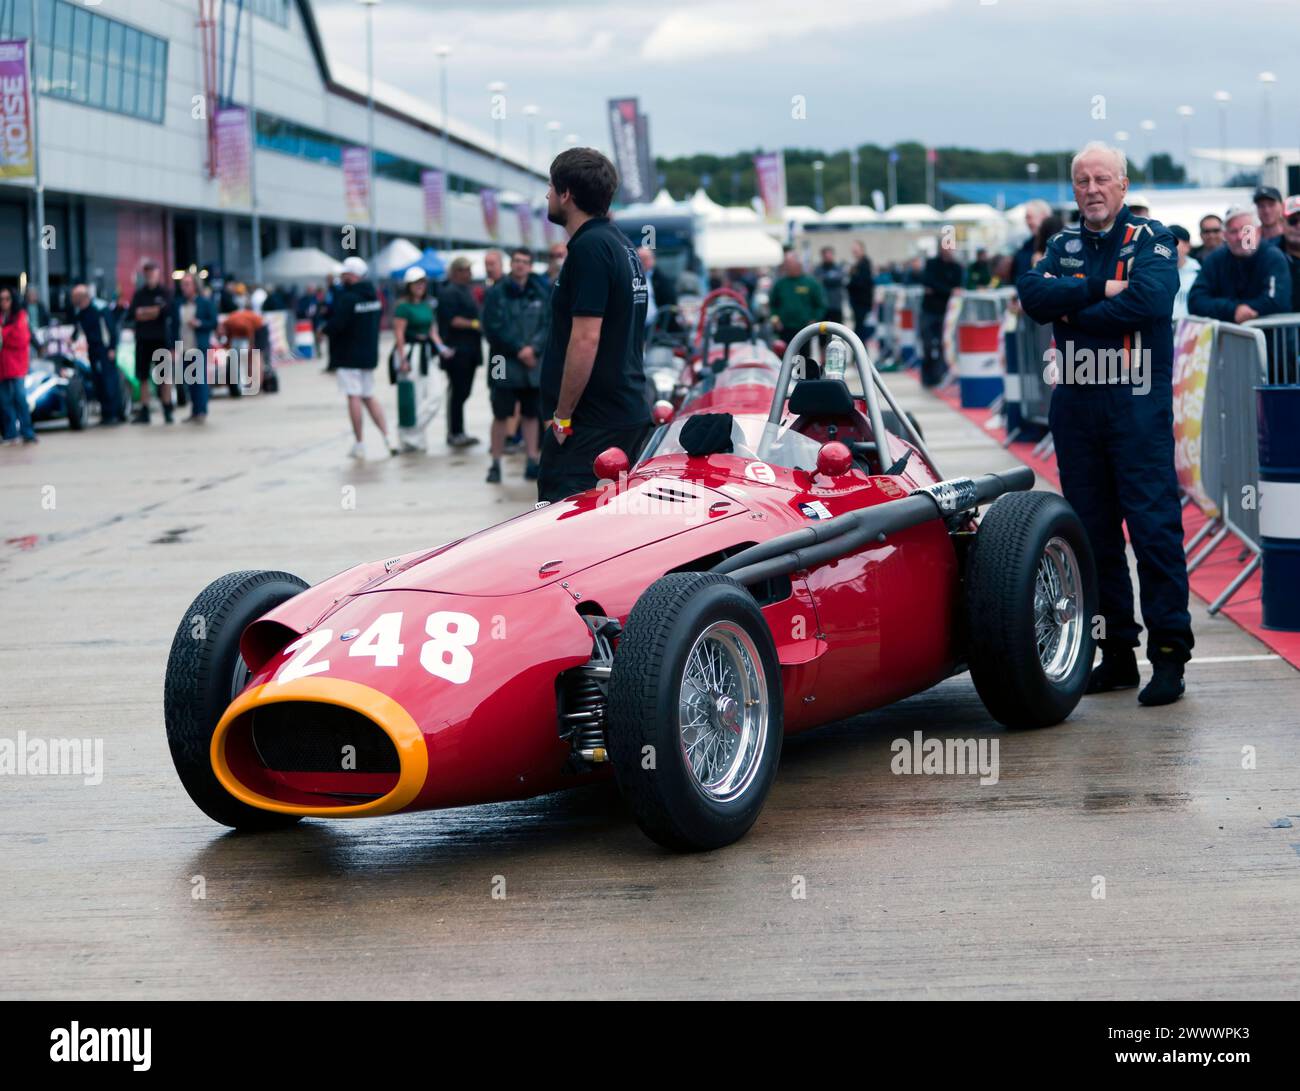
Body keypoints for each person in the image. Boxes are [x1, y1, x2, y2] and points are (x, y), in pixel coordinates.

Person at [1017, 140, 1191, 706]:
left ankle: (1168, 656)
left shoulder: (1153, 239)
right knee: (1094, 540)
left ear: (1123, 185)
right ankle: (1115, 651)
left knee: (1153, 531)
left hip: (1135, 412)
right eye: (1082, 181)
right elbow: (1032, 295)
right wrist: (1097, 290)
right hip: (1077, 411)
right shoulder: (1062, 242)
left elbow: (1150, 302)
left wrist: (1074, 310)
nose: (1092, 190)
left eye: (1102, 180)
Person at [537, 146, 651, 503]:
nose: (547, 195)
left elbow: (585, 339)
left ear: (567, 194)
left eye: (551, 187)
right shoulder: (622, 244)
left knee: (562, 527)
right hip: (622, 410)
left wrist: (563, 417)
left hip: (591, 425)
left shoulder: (590, 248)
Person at [483, 247, 549, 483]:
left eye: (525, 262)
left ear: (530, 266)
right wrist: (520, 349)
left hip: (532, 364)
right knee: (500, 414)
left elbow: (548, 324)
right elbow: (492, 328)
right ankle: (495, 462)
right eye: (517, 261)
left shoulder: (540, 292)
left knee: (532, 414)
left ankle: (532, 460)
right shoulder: (496, 293)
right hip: (503, 361)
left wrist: (534, 349)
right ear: (511, 264)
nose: (520, 265)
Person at [326, 256, 394, 459]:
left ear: (351, 275)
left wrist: (324, 330)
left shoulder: (348, 298)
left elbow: (337, 325)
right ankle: (387, 438)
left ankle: (360, 443)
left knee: (353, 396)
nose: (342, 278)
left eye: (345, 274)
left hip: (349, 355)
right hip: (368, 355)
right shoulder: (373, 296)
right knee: (369, 396)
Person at [1188, 206, 1291, 324]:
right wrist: (1234, 310)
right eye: (1233, 231)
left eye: (1246, 230)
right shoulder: (1216, 259)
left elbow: (1277, 301)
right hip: (1228, 339)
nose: (1240, 237)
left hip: (1271, 339)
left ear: (1258, 231)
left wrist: (1238, 310)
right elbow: (1195, 300)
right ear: (1225, 235)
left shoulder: (1273, 257)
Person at [391, 267, 452, 452]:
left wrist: (443, 349)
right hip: (410, 352)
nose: (420, 286)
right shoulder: (402, 307)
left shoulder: (427, 305)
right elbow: (399, 334)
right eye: (416, 283)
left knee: (435, 397)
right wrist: (403, 359)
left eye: (423, 282)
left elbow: (433, 332)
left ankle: (409, 431)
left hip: (427, 352)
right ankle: (412, 437)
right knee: (414, 397)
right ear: (409, 285)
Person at [437, 257, 484, 449]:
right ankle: (455, 432)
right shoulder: (449, 293)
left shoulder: (467, 290)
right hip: (457, 351)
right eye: (466, 270)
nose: (470, 274)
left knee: (463, 392)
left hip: (470, 350)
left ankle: (459, 431)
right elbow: (453, 320)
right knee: (457, 393)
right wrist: (475, 324)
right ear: (456, 272)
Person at [127, 260, 173, 424]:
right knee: (143, 376)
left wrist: (146, 312)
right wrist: (153, 311)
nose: (149, 276)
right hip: (143, 341)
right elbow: (133, 314)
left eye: (152, 273)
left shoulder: (165, 292)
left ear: (158, 274)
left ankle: (167, 408)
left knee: (164, 377)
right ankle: (145, 410)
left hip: (160, 340)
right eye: (147, 273)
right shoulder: (139, 294)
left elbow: (165, 312)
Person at [71, 284, 125, 425]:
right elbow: (77, 329)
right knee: (98, 381)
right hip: (93, 350)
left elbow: (111, 329)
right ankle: (106, 413)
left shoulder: (100, 308)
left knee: (109, 381)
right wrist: (72, 338)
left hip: (105, 349)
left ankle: (114, 413)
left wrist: (112, 348)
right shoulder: (81, 312)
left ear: (82, 297)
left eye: (75, 297)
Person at [170, 273, 217, 423]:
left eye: (187, 284)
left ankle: (201, 411)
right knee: (189, 380)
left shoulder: (205, 303)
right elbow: (173, 327)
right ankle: (195, 411)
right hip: (184, 347)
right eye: (183, 284)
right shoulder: (178, 304)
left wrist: (200, 324)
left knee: (200, 380)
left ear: (195, 286)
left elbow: (214, 322)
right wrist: (172, 346)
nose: (184, 287)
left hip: (198, 346)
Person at [919, 240, 963, 387]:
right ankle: (927, 377)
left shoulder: (957, 267)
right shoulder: (932, 264)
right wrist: (948, 291)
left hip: (946, 312)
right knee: (927, 344)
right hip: (929, 310)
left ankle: (940, 375)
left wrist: (938, 290)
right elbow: (928, 283)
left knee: (944, 345)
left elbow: (957, 287)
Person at [0, 286, 36, 445]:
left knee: (20, 398)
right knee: (4, 401)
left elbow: (21, 338)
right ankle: (10, 434)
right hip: (2, 366)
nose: (4, 302)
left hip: (17, 364)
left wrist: (3, 334)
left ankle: (27, 432)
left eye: (7, 299)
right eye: (1, 299)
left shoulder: (20, 315)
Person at [769, 251, 825, 343]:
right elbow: (773, 305)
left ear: (798, 264)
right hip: (784, 328)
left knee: (804, 356)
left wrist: (814, 319)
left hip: (804, 329)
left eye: (789, 263)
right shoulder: (780, 284)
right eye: (786, 264)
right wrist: (775, 319)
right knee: (785, 355)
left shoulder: (811, 283)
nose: (786, 266)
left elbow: (820, 305)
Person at [1011, 199, 1052, 281]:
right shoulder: (1026, 246)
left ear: (1044, 217)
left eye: (1029, 217)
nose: (1027, 222)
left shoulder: (1058, 245)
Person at [1168, 225, 1200, 320]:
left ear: (1187, 246)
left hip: (1189, 331)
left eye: (1173, 242)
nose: (1168, 246)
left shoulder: (1198, 274)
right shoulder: (1155, 273)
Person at [847, 240, 875, 343]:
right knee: (859, 329)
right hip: (857, 302)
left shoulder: (864, 263)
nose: (854, 252)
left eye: (856, 250)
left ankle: (859, 355)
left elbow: (861, 282)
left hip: (862, 302)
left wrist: (849, 283)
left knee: (860, 331)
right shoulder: (857, 264)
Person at [1277, 195, 1300, 312]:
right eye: (1293, 221)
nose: (1299, 226)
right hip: (1281, 327)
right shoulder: (1268, 255)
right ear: (1282, 223)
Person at [813, 246, 846, 324]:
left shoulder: (838, 268)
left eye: (829, 255)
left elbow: (840, 279)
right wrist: (830, 278)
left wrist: (825, 279)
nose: (828, 257)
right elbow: (817, 281)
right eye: (826, 256)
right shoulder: (818, 269)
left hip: (836, 306)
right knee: (822, 332)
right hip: (822, 307)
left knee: (837, 332)